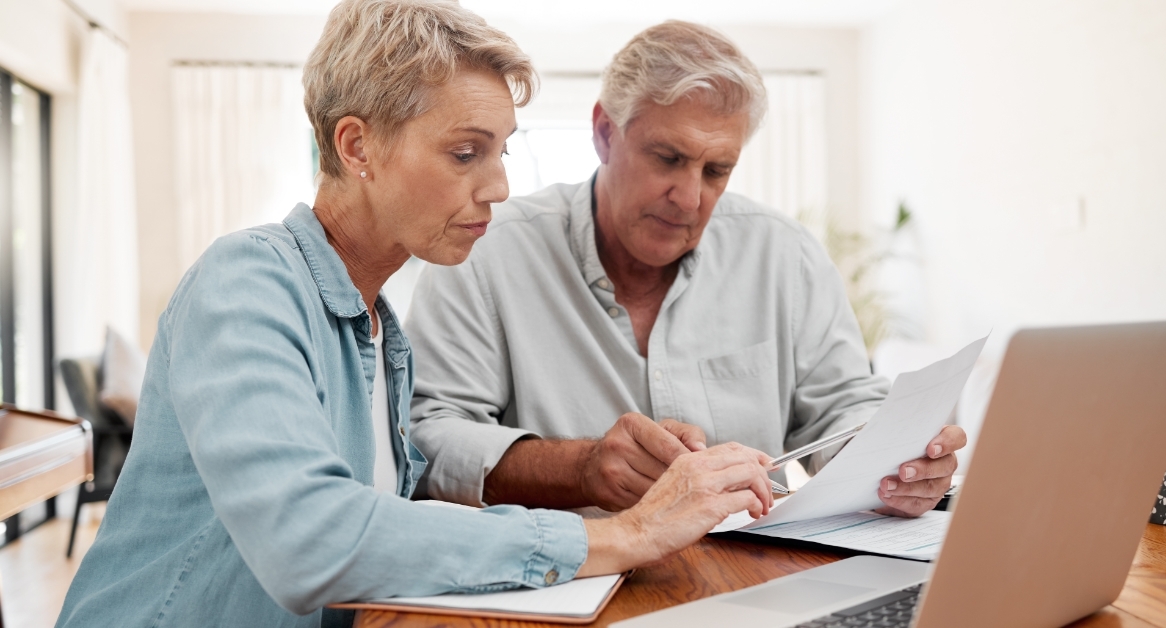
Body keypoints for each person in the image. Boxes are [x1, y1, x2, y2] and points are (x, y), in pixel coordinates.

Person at [55, 4, 776, 627]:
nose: (498, 187)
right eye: (465, 153)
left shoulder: (379, 330)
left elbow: (389, 530)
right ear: (357, 146)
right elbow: (310, 538)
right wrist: (626, 535)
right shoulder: (247, 283)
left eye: (500, 152)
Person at [406, 20, 966, 518]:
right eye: (668, 158)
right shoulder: (485, 251)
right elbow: (427, 439)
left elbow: (844, 407)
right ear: (604, 132)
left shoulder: (783, 255)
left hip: (754, 568)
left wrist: (895, 461)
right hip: (569, 571)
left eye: (717, 170)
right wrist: (581, 468)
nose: (690, 198)